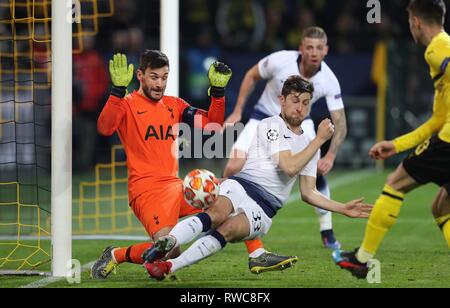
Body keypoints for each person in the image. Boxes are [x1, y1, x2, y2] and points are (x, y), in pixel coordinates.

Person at [142, 75, 372, 280]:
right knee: (216, 213)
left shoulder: (310, 145)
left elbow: (308, 192)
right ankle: (170, 242)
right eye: (295, 100)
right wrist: (319, 140)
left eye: (305, 102)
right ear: (282, 101)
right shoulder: (271, 125)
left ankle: (169, 266)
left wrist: (341, 208)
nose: (300, 108)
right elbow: (289, 167)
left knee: (229, 230)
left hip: (265, 208)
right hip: (242, 185)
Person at [90, 50, 269, 279]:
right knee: (169, 251)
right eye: (154, 77)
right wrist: (116, 93)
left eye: (164, 77)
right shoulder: (127, 104)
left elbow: (212, 124)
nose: (159, 83)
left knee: (233, 189)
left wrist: (217, 93)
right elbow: (104, 128)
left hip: (176, 187)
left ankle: (257, 254)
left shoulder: (174, 105)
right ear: (140, 75)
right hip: (147, 192)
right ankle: (116, 254)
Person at [333, 0, 450, 279]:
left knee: (394, 184)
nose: (410, 27)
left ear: (416, 22)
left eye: (410, 22)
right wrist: (396, 145)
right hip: (444, 133)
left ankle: (362, 259)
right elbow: (436, 120)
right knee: (441, 206)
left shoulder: (437, 48)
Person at [223, 27, 348, 254]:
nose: (314, 52)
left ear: (326, 51)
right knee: (232, 167)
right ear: (301, 48)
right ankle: (223, 216)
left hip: (298, 125)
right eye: (309, 47)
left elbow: (340, 122)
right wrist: (238, 110)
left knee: (316, 173)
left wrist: (330, 155)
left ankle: (327, 230)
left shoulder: (329, 80)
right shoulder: (280, 60)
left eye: (319, 48)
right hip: (263, 118)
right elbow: (252, 74)